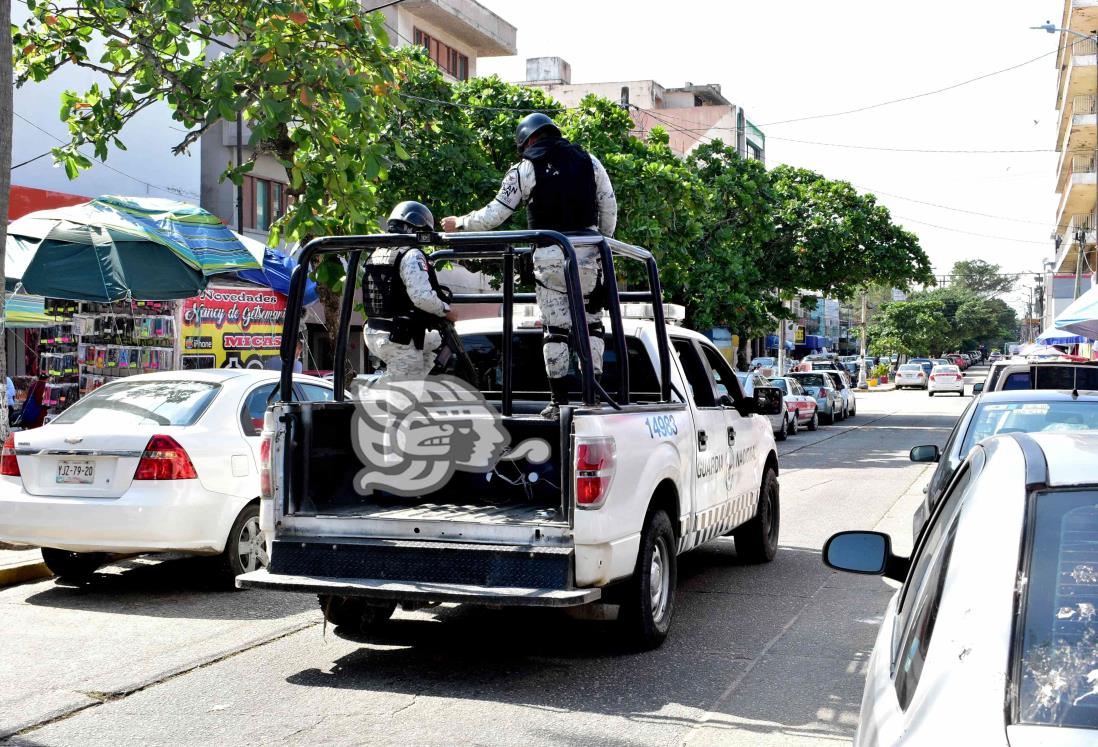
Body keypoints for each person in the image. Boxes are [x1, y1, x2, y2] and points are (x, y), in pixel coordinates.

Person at [442, 113, 618, 416]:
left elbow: (496, 213)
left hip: (550, 258)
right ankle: (592, 395)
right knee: (592, 325)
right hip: (589, 256)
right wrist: (600, 243)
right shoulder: (590, 161)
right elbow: (609, 208)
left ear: (527, 141)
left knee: (556, 330)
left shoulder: (524, 168)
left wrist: (459, 223)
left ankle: (559, 403)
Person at [363, 201, 454, 378]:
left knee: (438, 341)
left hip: (374, 332)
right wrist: (446, 310)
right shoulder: (411, 254)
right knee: (405, 403)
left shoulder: (377, 251)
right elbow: (422, 298)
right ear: (413, 228)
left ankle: (409, 380)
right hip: (398, 338)